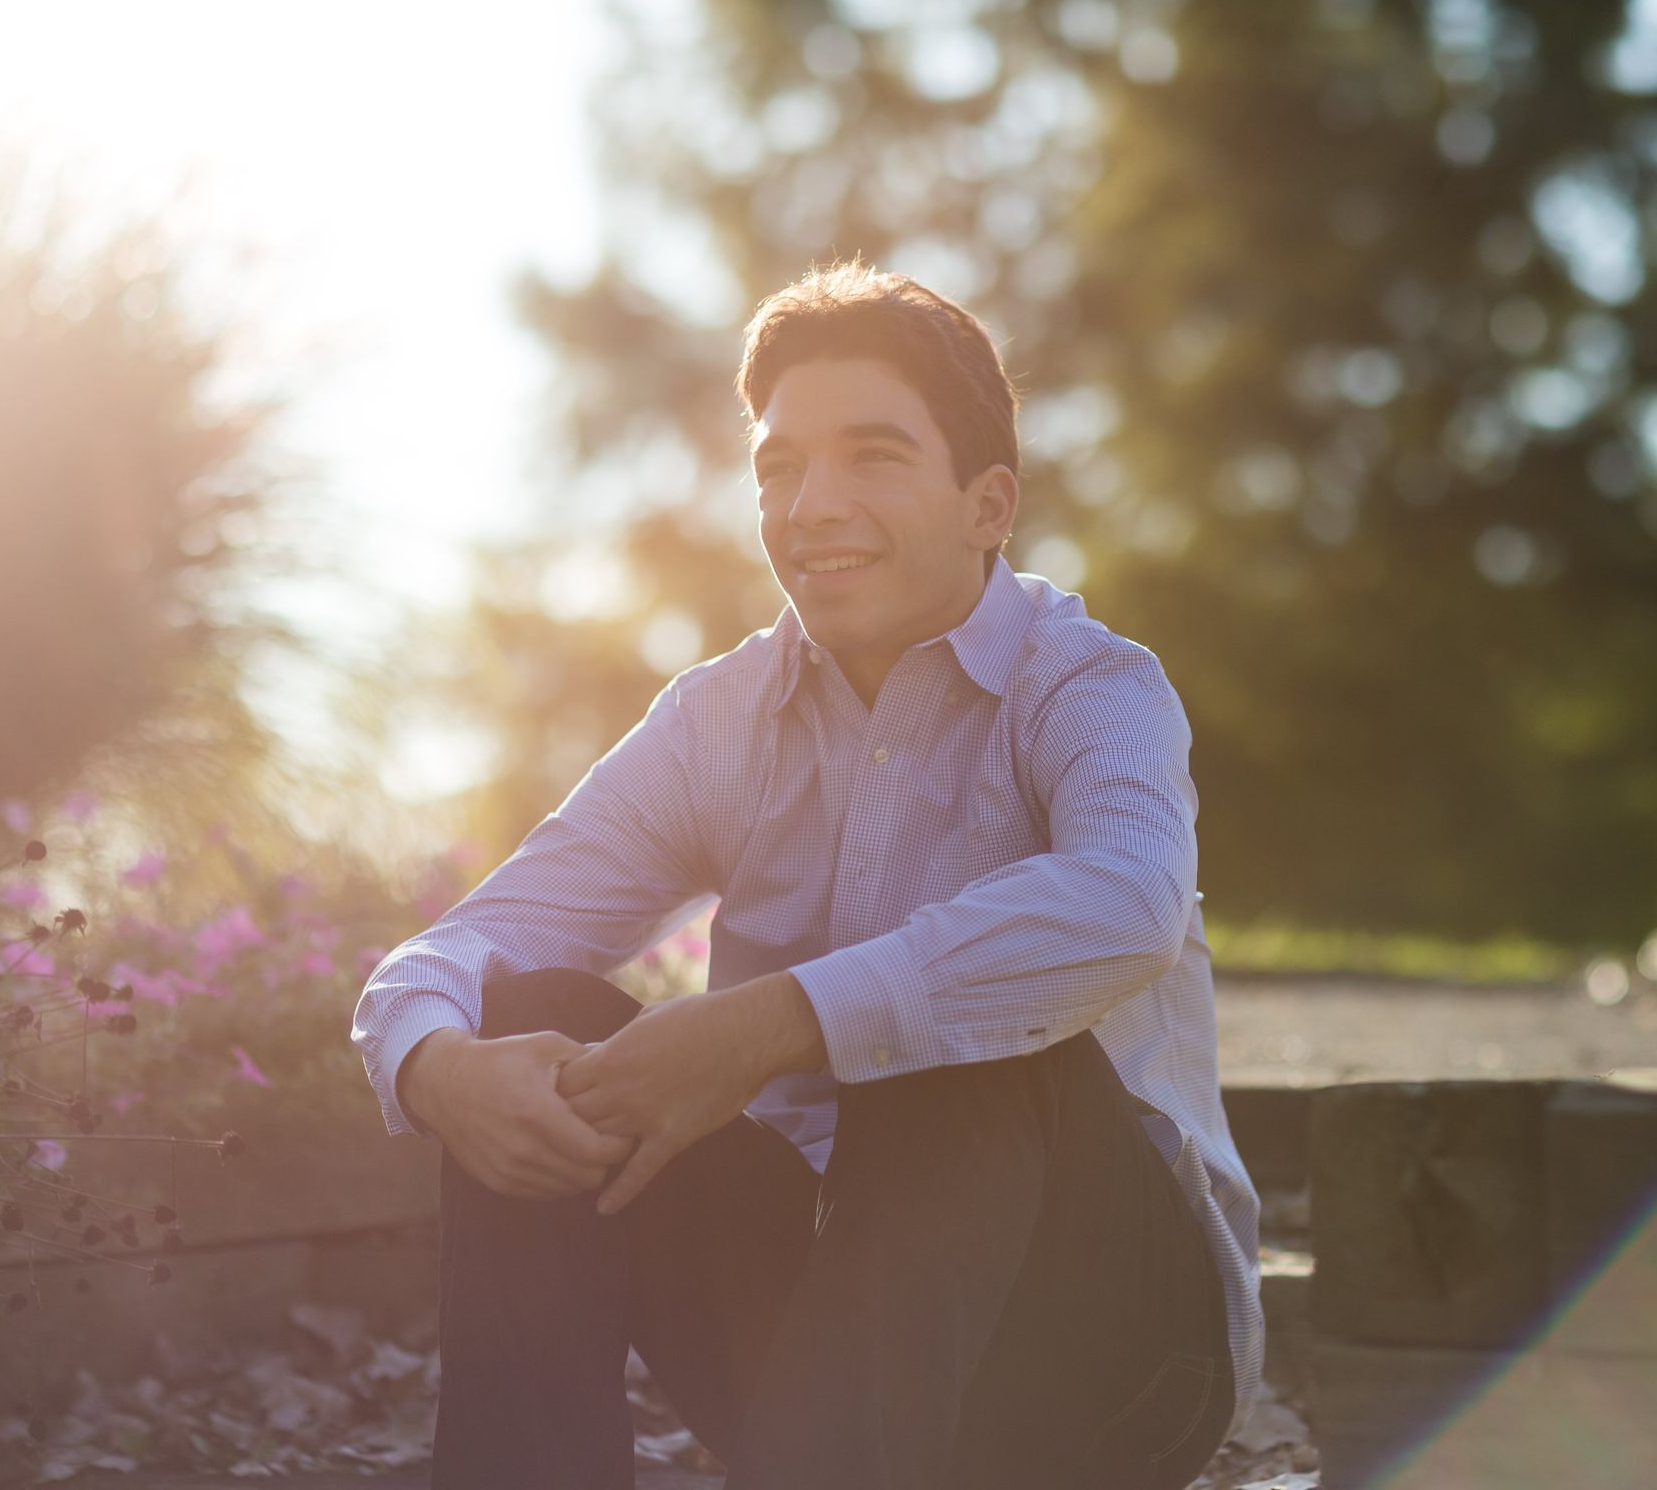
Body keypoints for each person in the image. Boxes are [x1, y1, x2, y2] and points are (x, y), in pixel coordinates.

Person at [350, 261, 1263, 1489]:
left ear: (987, 506)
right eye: (781, 466)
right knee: (529, 1017)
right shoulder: (718, 720)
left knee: (960, 1030)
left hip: (1110, 1367)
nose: (811, 504)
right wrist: (433, 1064)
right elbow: (473, 941)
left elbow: (1129, 905)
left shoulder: (1091, 684)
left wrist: (770, 1027)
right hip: (819, 1345)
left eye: (873, 455)